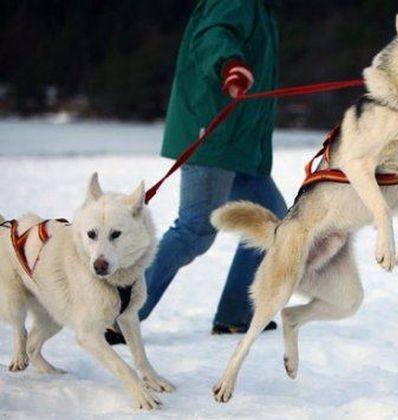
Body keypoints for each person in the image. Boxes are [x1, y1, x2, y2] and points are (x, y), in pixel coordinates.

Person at [105, 0, 287, 344]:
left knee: (274, 223)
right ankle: (118, 314)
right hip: (214, 134)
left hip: (241, 144)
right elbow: (214, 35)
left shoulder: (263, 10)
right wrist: (229, 65)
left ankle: (237, 314)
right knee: (195, 230)